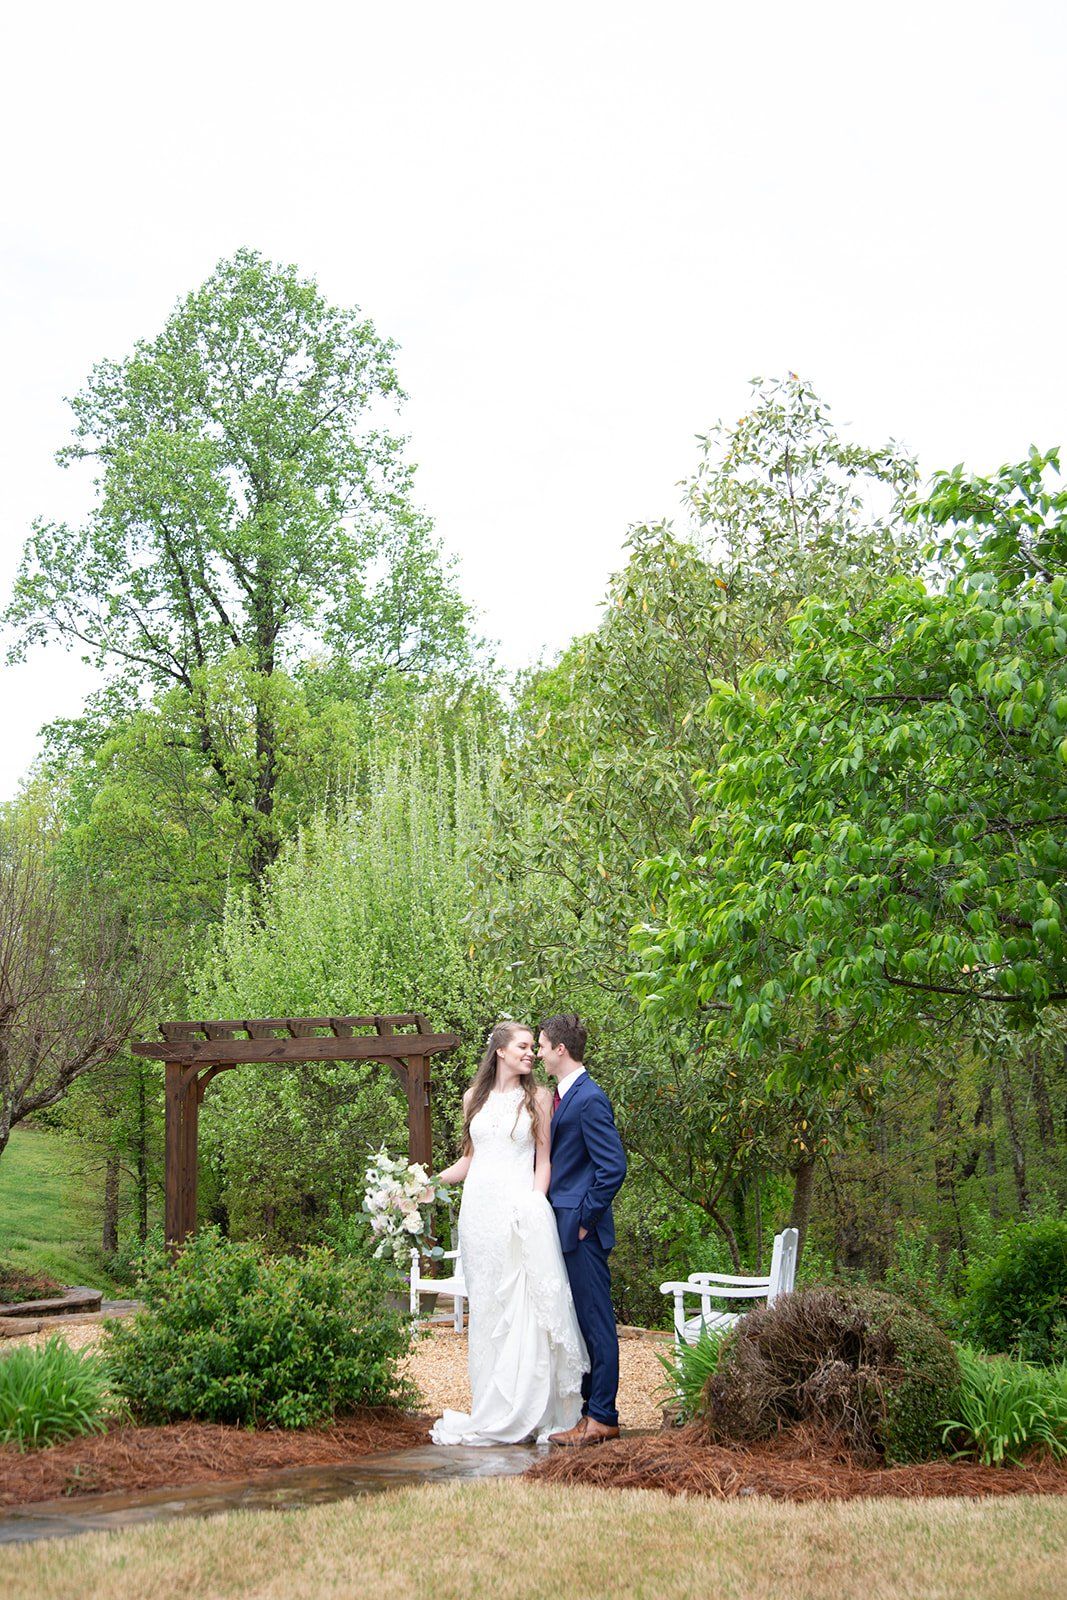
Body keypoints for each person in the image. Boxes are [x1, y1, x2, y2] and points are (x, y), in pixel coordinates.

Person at [429, 1020, 588, 1445]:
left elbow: (544, 1161)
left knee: (520, 1309)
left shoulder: (538, 1098)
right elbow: (467, 1163)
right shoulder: (472, 1099)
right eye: (522, 1046)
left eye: (532, 1048)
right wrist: (423, 1185)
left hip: (516, 1214)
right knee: (487, 1312)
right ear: (499, 1051)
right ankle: (489, 1405)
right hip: (477, 1216)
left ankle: (526, 1407)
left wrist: (536, 1204)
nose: (531, 1053)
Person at [539, 1013, 627, 1447]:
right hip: (564, 1226)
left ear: (561, 1049)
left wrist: (585, 1222)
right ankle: (588, 1415)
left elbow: (613, 1168)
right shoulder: (562, 1096)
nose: (537, 1053)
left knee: (597, 1322)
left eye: (541, 1045)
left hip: (582, 1231)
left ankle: (604, 1417)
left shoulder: (590, 1098)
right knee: (581, 1322)